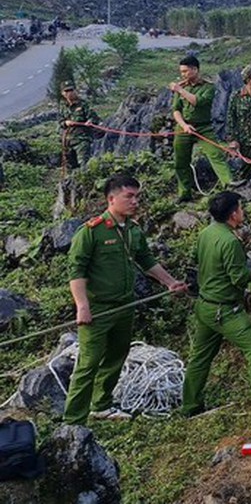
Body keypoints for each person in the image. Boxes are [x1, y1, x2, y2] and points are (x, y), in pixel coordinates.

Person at [64, 175, 186, 424]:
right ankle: (73, 420)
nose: (134, 201)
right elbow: (77, 271)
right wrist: (82, 306)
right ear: (111, 199)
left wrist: (170, 282)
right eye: (128, 196)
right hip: (98, 310)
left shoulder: (133, 231)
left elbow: (147, 261)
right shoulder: (91, 232)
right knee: (89, 363)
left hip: (124, 305)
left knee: (117, 356)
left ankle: (102, 406)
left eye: (137, 196)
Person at [180, 192, 251, 417]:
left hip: (205, 305)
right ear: (234, 214)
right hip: (224, 310)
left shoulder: (207, 233)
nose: (243, 212)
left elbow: (196, 258)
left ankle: (190, 406)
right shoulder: (230, 241)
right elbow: (240, 278)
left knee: (200, 356)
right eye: (241, 208)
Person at [170, 55, 233, 203]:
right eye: (181, 71)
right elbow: (176, 110)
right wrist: (184, 125)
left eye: (185, 71)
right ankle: (184, 193)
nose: (183, 74)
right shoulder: (183, 87)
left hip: (204, 127)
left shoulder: (208, 86)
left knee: (215, 153)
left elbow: (197, 102)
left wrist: (179, 89)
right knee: (181, 161)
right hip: (183, 127)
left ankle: (229, 184)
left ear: (195, 69)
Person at [60, 81, 98, 169]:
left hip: (82, 140)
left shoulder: (83, 104)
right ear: (63, 93)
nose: (69, 93)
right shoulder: (63, 107)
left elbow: (94, 118)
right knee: (70, 168)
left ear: (75, 90)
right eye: (67, 91)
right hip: (67, 142)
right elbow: (60, 122)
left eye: (71, 90)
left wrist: (90, 121)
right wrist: (65, 123)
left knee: (84, 165)